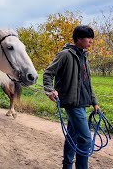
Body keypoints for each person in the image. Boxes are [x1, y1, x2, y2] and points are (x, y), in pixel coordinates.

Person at [43, 25, 100, 169]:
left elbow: (88, 83)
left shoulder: (84, 57)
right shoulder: (65, 55)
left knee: (72, 136)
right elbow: (48, 73)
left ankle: (67, 165)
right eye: (89, 37)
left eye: (92, 38)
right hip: (72, 103)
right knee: (85, 139)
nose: (91, 41)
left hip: (82, 102)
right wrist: (50, 90)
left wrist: (94, 102)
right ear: (79, 39)